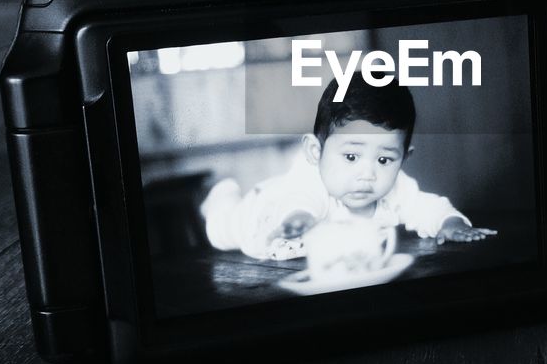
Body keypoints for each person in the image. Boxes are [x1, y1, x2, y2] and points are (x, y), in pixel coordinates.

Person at [201, 74, 497, 261]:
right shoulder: (309, 184)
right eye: (351, 157)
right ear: (316, 152)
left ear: (404, 157)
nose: (366, 174)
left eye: (384, 160)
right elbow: (301, 201)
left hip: (318, 258)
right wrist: (299, 219)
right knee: (221, 228)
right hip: (259, 214)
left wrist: (451, 224)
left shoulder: (397, 189)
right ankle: (221, 197)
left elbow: (427, 207)